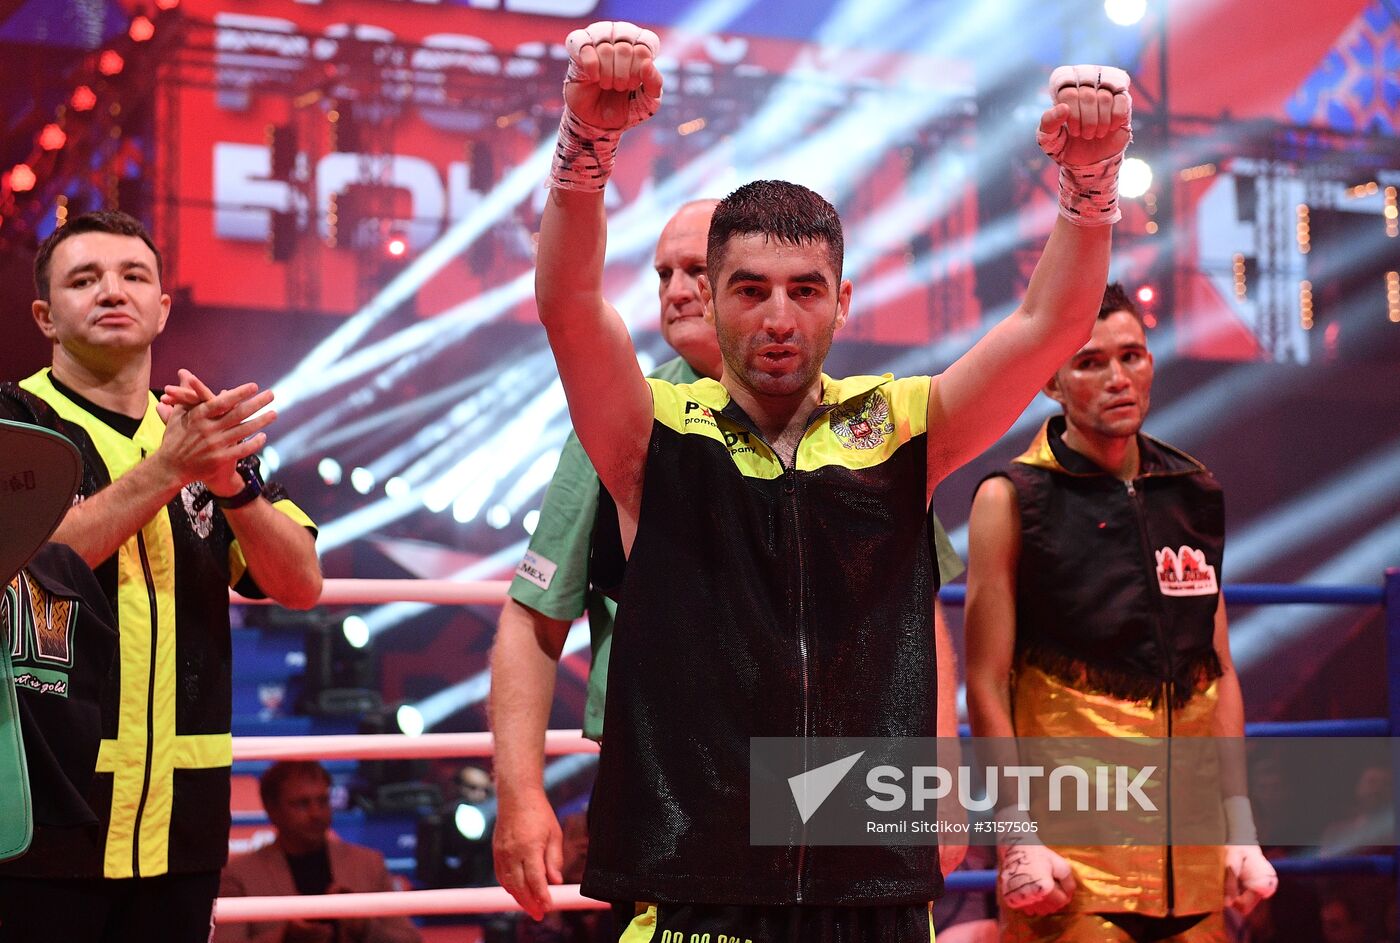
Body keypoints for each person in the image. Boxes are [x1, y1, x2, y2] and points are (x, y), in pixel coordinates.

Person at [534, 20, 1129, 940]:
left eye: (805, 289)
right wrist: (586, 148)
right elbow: (571, 304)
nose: (779, 317)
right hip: (698, 869)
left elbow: (1049, 324)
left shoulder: (894, 426)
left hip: (869, 880)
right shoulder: (651, 433)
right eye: (752, 288)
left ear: (843, 301)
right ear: (711, 297)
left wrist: (1090, 184)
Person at [489, 199, 967, 920]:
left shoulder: (859, 422)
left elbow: (912, 603)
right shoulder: (626, 412)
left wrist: (940, 784)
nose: (677, 288)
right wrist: (520, 792)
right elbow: (534, 613)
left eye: (693, 270)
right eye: (663, 274)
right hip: (684, 791)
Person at [0, 210, 323, 943]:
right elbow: (31, 555)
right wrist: (171, 467)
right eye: (85, 279)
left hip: (183, 824)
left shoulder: (202, 437)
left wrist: (231, 483)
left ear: (162, 307)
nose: (112, 290)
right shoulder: (13, 422)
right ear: (46, 316)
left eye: (133, 276)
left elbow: (300, 583)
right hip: (37, 821)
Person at [964, 284, 1278, 941]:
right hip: (1072, 864)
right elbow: (986, 681)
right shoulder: (1011, 497)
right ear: (1052, 379)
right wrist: (1016, 832)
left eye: (1132, 355)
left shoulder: (1191, 491)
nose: (1117, 378)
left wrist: (1241, 827)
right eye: (1090, 362)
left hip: (1194, 863)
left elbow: (1216, 668)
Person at [215, 761, 421, 943]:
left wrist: (365, 927)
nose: (316, 813)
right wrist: (286, 938)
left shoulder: (368, 863)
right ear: (271, 809)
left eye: (322, 801)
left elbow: (410, 940)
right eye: (302, 804)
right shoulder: (239, 875)